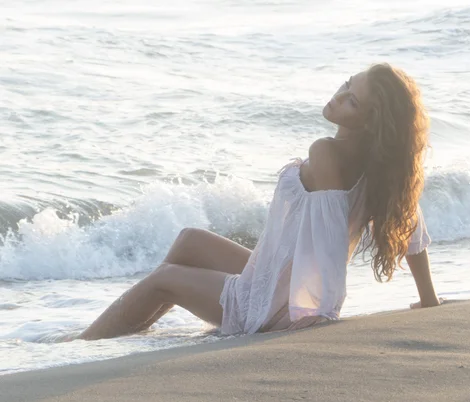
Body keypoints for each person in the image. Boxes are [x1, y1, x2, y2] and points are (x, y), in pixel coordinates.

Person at [79, 63, 441, 340]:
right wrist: (429, 301)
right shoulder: (381, 169)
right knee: (190, 240)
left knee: (165, 279)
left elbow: (329, 247)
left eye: (352, 100)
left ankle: (84, 344)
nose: (338, 95)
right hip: (277, 277)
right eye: (346, 84)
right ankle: (130, 330)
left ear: (369, 121)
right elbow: (408, 222)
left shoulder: (327, 152)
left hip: (277, 305)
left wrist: (319, 319)